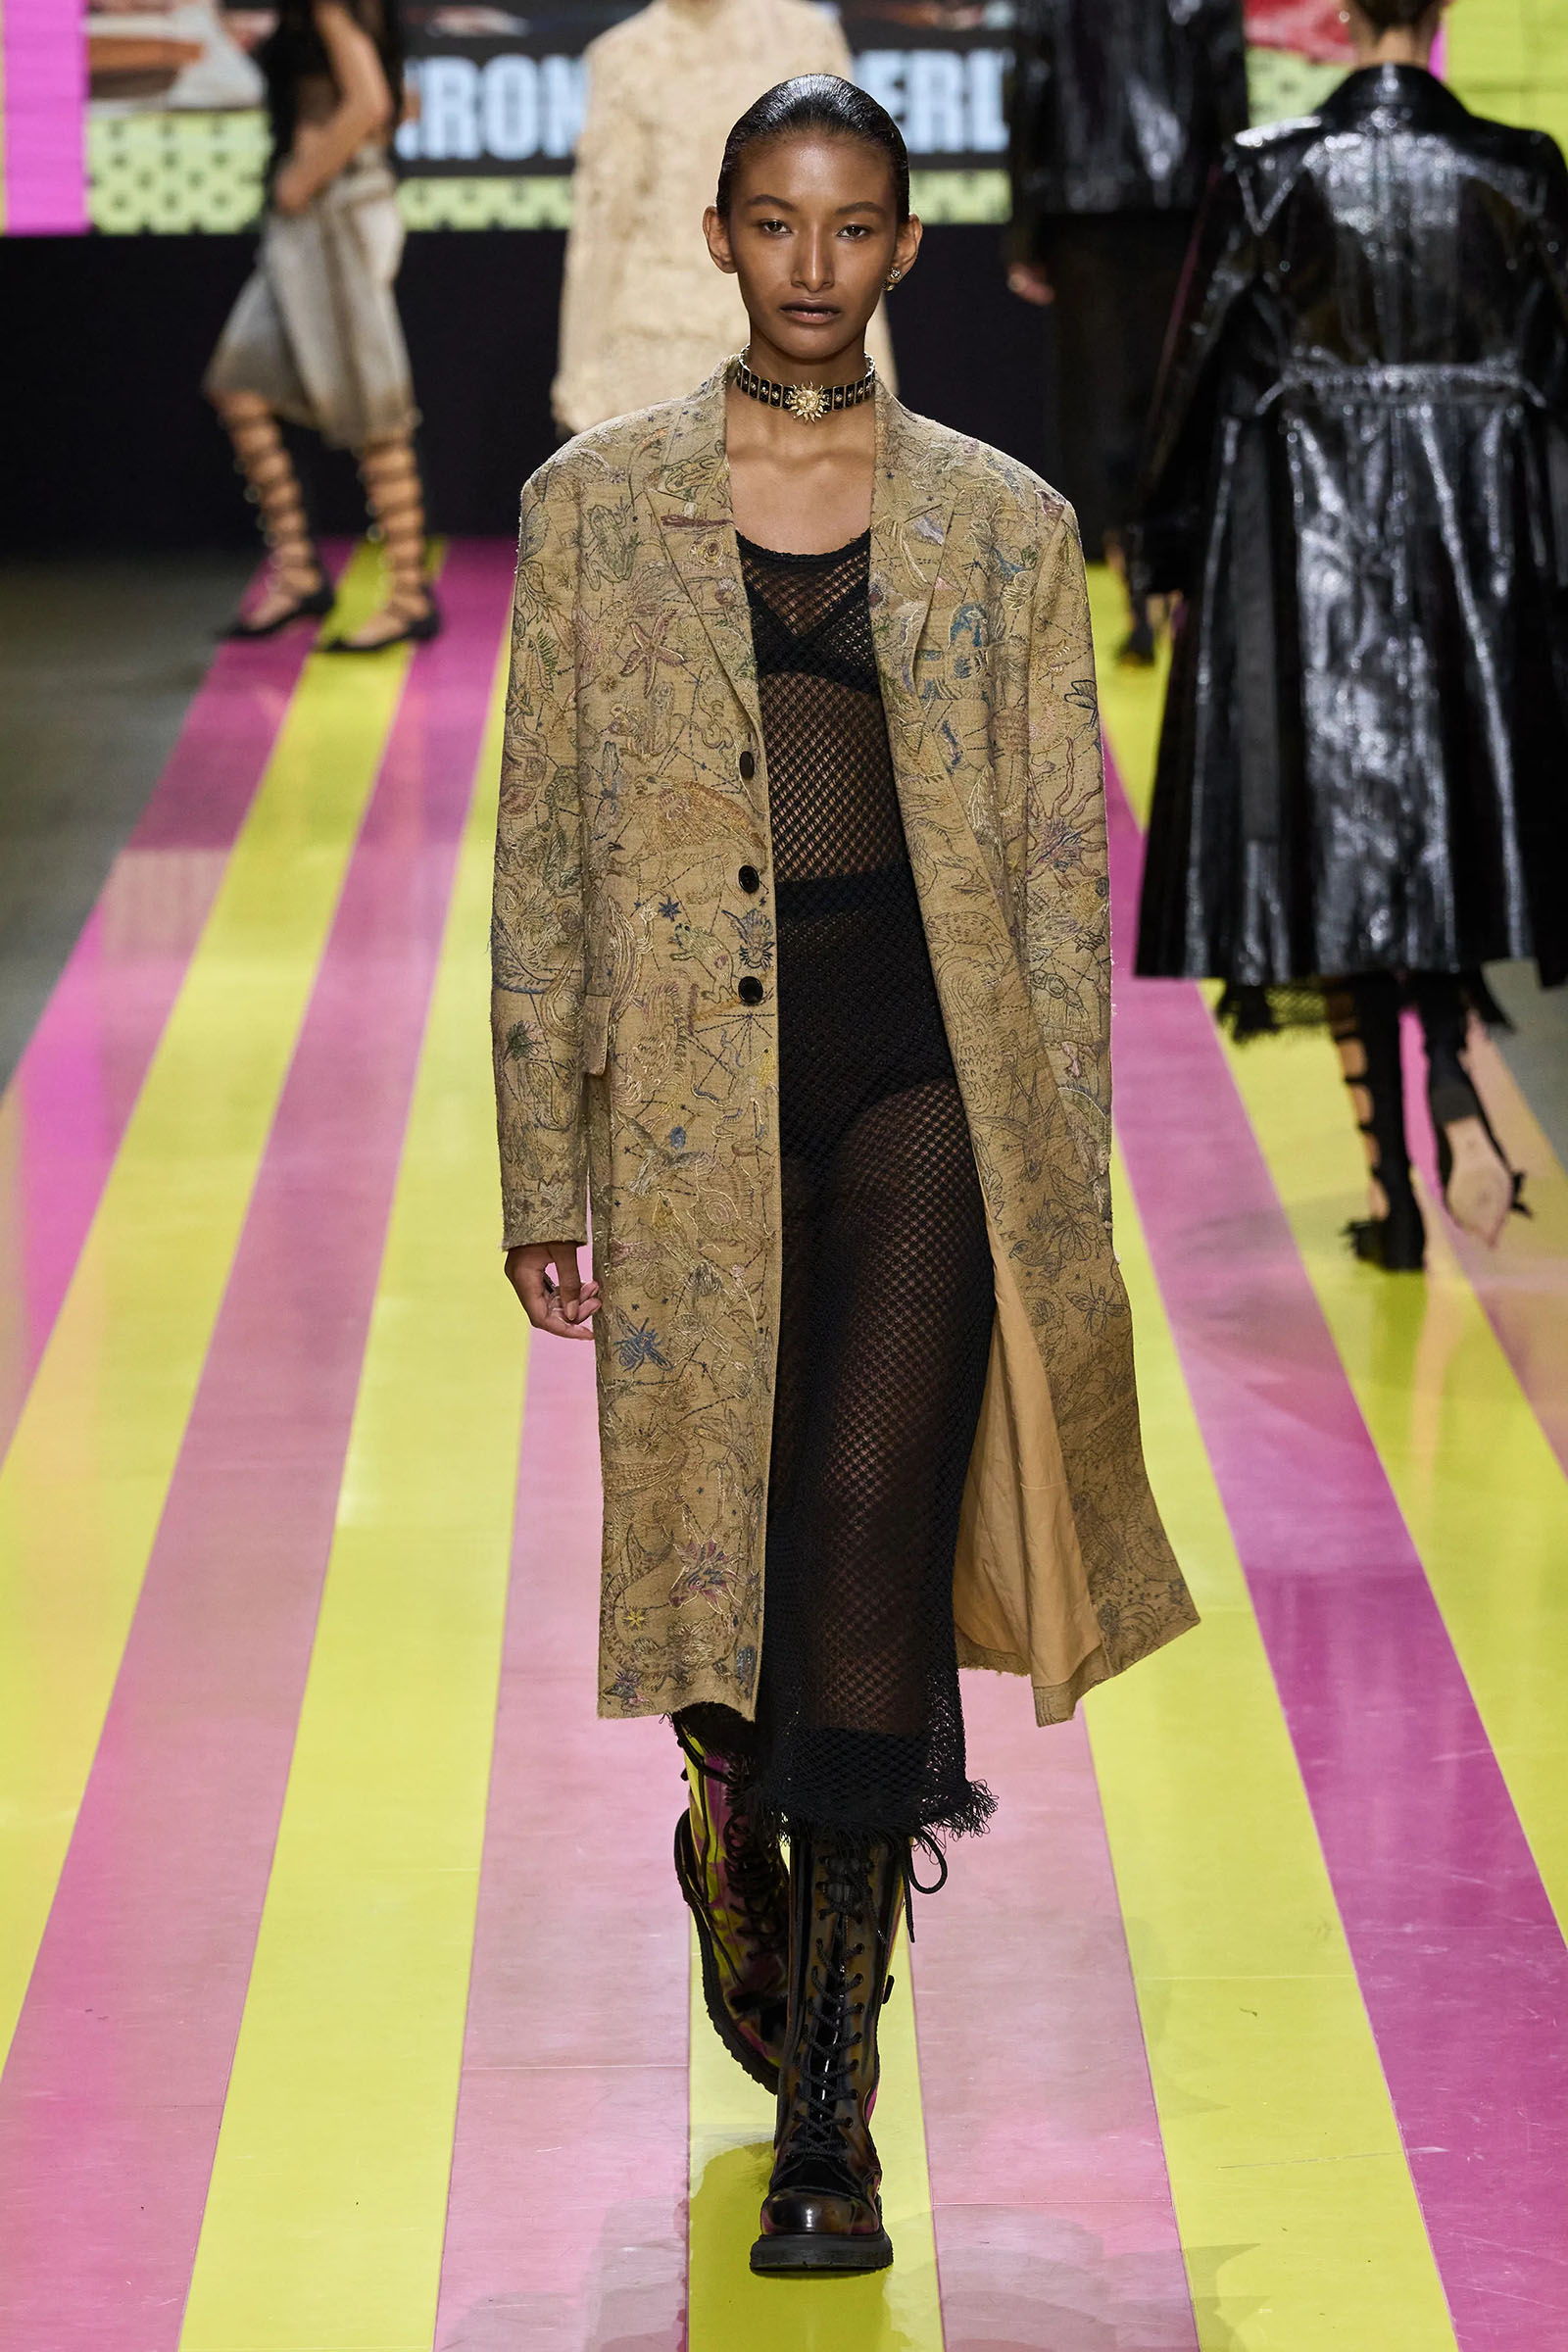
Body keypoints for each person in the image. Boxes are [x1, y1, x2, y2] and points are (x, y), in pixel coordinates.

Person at [492, 74, 1196, 2277]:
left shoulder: (1001, 523)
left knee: (868, 1535)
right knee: (721, 1569)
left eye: (854, 223)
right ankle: (728, 1804)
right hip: (689, 1104)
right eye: (777, 221)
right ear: (716, 235)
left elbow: (1056, 875)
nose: (815, 262)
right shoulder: (593, 510)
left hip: (921, 1084)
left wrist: (1057, 1188)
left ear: (903, 243)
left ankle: (831, 2107)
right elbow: (542, 853)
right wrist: (541, 1156)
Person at [1133, 0, 1568, 1271]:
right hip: (1480, 550)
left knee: (1338, 855)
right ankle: (1451, 1066)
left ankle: (1391, 1195)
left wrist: (1164, 537)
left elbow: (1199, 364)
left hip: (1305, 547)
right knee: (1449, 830)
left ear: (1334, 18)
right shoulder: (1521, 167)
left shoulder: (1268, 171)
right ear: (1441, 15)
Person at [1006, 0, 1250, 662]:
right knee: (1177, 400)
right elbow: (1227, 87)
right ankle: (1177, 585)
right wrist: (1237, 222)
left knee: (1101, 411)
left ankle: (1133, 593)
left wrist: (1025, 232)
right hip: (1184, 206)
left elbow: (1031, 90)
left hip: (1083, 206)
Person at [204, 0, 439, 651]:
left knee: (372, 407)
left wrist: (302, 179)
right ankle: (301, 573)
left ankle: (410, 596)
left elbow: (372, 103)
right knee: (240, 383)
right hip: (317, 218)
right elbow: (390, 97)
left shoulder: (331, 8)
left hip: (333, 215)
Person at [552, 0, 894, 435]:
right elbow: (602, 228)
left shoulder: (806, 38)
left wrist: (870, 353)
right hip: (653, 349)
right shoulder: (620, 55)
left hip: (789, 331)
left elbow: (850, 204)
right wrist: (581, 376)